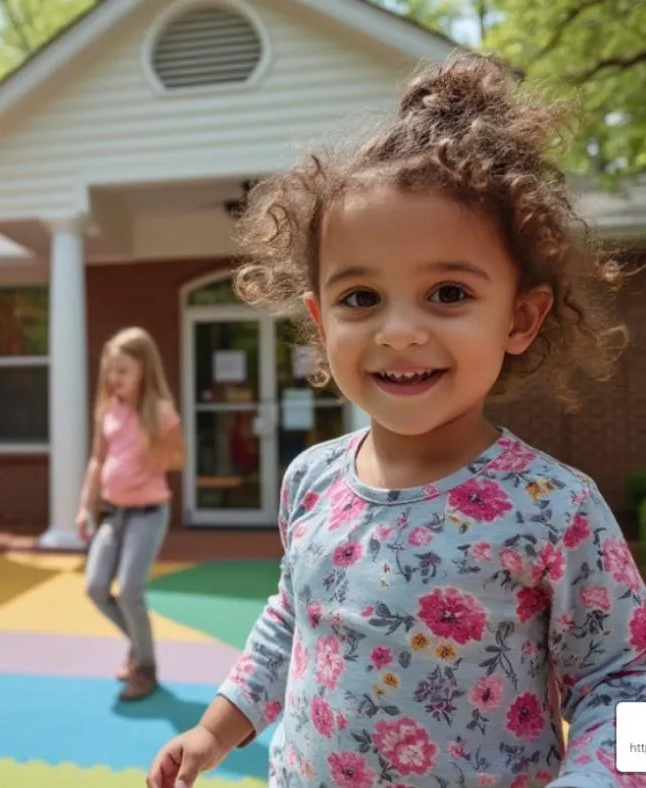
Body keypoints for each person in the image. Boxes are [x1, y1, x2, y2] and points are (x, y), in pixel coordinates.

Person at [147, 53, 646, 788]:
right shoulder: (310, 479)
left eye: (447, 292)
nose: (399, 331)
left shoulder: (556, 509)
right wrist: (217, 729)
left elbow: (626, 683)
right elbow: (293, 619)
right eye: (360, 299)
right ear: (319, 323)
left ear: (522, 315)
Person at [77, 326, 185, 702]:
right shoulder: (108, 409)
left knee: (130, 592)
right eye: (110, 370)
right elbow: (97, 459)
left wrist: (153, 448)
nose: (113, 378)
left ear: (143, 369)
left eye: (122, 370)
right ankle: (139, 648)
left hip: (148, 513)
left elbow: (178, 458)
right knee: (95, 587)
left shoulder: (160, 412)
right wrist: (83, 507)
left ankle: (146, 668)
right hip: (113, 513)